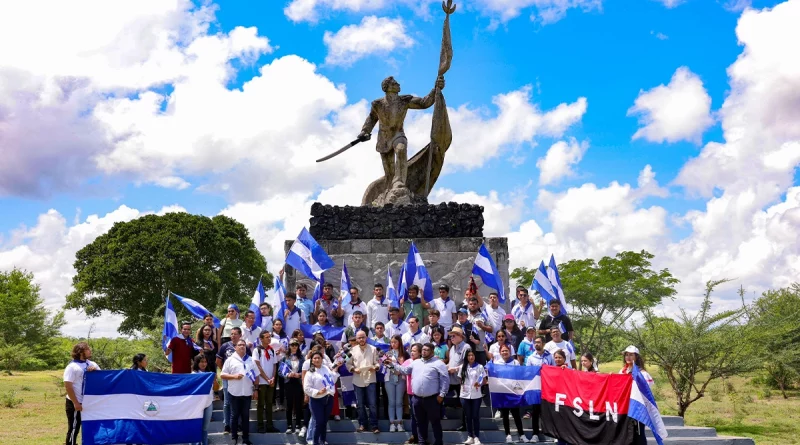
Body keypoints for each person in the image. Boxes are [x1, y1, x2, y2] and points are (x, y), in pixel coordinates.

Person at [391, 343, 450, 445]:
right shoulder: (416, 362)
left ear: (432, 351)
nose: (423, 351)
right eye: (423, 349)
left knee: (435, 422)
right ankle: (421, 442)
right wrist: (392, 365)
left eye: (426, 350)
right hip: (417, 398)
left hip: (432, 398)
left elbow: (445, 380)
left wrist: (442, 394)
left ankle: (439, 442)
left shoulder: (439, 363)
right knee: (420, 422)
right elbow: (405, 370)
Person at [220, 339, 256, 445]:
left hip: (247, 392)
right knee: (234, 415)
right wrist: (234, 376)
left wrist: (256, 389)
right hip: (234, 392)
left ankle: (245, 438)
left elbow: (256, 376)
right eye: (239, 345)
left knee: (245, 416)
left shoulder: (250, 360)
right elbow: (222, 375)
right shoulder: (230, 360)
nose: (242, 347)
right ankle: (234, 437)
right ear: (235, 347)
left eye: (244, 345)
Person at [216, 327, 251, 433]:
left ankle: (239, 425)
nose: (233, 336)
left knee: (240, 403)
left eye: (235, 334)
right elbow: (218, 361)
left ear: (240, 335)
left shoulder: (245, 346)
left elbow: (249, 361)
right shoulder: (225, 346)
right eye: (231, 334)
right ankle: (227, 424)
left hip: (242, 380)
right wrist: (226, 373)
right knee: (227, 402)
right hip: (229, 379)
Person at [64, 342, 99, 445]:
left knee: (91, 426)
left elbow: (102, 379)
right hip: (76, 402)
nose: (90, 351)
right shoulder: (72, 367)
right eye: (88, 349)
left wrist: (95, 372)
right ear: (80, 352)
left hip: (89, 402)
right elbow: (68, 386)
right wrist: (75, 403)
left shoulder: (93, 364)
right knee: (74, 427)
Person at [493, 344, 528, 443]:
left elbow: (519, 375)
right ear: (500, 352)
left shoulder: (515, 362)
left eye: (506, 351)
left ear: (510, 352)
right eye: (503, 351)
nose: (504, 352)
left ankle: (521, 434)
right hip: (503, 392)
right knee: (505, 415)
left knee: (516, 415)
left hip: (513, 392)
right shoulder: (497, 363)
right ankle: (508, 435)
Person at [304, 351, 340, 445]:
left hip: (328, 398)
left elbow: (333, 380)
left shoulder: (326, 369)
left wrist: (335, 370)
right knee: (319, 422)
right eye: (314, 358)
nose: (317, 360)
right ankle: (315, 442)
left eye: (318, 358)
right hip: (316, 400)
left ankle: (322, 441)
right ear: (312, 360)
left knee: (324, 422)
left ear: (322, 359)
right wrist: (318, 392)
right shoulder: (310, 372)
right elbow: (306, 388)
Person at [348, 330, 380, 433]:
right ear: (356, 339)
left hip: (370, 378)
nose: (361, 339)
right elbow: (348, 364)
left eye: (363, 337)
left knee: (372, 404)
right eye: (359, 338)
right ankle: (362, 424)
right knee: (360, 404)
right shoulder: (351, 350)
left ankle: (374, 425)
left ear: (366, 337)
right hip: (358, 379)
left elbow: (378, 363)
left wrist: (375, 368)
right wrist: (353, 369)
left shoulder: (373, 349)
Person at [620, 345, 653, 445]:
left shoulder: (642, 374)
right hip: (624, 407)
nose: (628, 357)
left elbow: (646, 392)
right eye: (626, 355)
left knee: (639, 434)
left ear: (636, 357)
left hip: (638, 408)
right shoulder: (622, 372)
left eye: (631, 355)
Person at [524, 336, 553, 442]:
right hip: (535, 388)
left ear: (543, 343)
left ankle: (550, 433)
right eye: (535, 342)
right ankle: (535, 434)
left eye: (538, 342)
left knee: (547, 411)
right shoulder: (531, 358)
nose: (536, 344)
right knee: (535, 412)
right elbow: (527, 372)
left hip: (547, 388)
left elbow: (554, 371)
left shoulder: (550, 357)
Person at [254, 331, 280, 433]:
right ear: (261, 339)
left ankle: (270, 425)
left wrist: (273, 378)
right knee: (260, 404)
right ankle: (260, 426)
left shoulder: (271, 350)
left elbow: (274, 365)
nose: (269, 339)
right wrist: (266, 378)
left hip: (270, 382)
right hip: (261, 381)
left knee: (269, 403)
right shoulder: (257, 350)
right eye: (266, 337)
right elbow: (258, 366)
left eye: (269, 337)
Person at [460, 349, 486, 445]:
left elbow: (483, 379)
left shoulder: (479, 367)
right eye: (469, 355)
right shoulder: (463, 367)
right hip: (465, 395)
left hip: (476, 395)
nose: (471, 357)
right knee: (468, 416)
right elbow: (460, 380)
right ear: (466, 357)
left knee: (475, 416)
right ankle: (470, 436)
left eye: (473, 355)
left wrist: (479, 383)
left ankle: (476, 437)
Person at [280, 339, 306, 434]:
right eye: (292, 345)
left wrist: (299, 375)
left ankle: (298, 424)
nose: (294, 346)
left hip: (298, 382)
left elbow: (306, 370)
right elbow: (280, 371)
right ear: (289, 346)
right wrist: (287, 375)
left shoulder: (302, 358)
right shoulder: (285, 358)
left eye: (296, 344)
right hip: (289, 382)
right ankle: (289, 425)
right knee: (289, 405)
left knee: (299, 404)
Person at [385, 335, 408, 432]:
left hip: (400, 379)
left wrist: (399, 365)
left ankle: (399, 423)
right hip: (389, 379)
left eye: (395, 342)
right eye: (392, 342)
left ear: (399, 342)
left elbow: (407, 366)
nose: (393, 344)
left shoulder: (405, 354)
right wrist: (393, 370)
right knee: (391, 402)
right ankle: (391, 423)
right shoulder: (388, 353)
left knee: (399, 402)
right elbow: (385, 365)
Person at [191, 354, 215, 445]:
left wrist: (215, 381)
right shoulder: (193, 374)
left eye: (205, 362)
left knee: (205, 428)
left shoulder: (209, 374)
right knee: (196, 426)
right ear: (197, 363)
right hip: (196, 404)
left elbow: (215, 388)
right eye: (201, 362)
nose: (204, 364)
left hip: (208, 403)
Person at [403, 343, 423, 444]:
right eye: (411, 350)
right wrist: (391, 365)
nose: (412, 352)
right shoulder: (408, 362)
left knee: (421, 416)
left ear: (420, 353)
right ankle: (414, 436)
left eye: (414, 351)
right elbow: (399, 371)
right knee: (413, 415)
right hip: (411, 393)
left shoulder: (423, 362)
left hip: (421, 393)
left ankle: (422, 438)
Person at [271, 319, 288, 411]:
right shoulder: (269, 336)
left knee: (282, 383)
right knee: (273, 382)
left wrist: (285, 351)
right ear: (273, 326)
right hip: (273, 363)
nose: (278, 326)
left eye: (280, 324)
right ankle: (273, 403)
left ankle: (281, 403)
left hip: (283, 362)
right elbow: (265, 349)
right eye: (276, 324)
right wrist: (274, 353)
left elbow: (290, 350)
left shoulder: (286, 336)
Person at [466, 296, 489, 364]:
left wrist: (483, 326)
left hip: (480, 348)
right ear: (468, 305)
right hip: (468, 348)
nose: (473, 305)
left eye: (474, 304)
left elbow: (491, 329)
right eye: (471, 304)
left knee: (481, 369)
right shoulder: (465, 316)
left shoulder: (483, 316)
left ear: (478, 305)